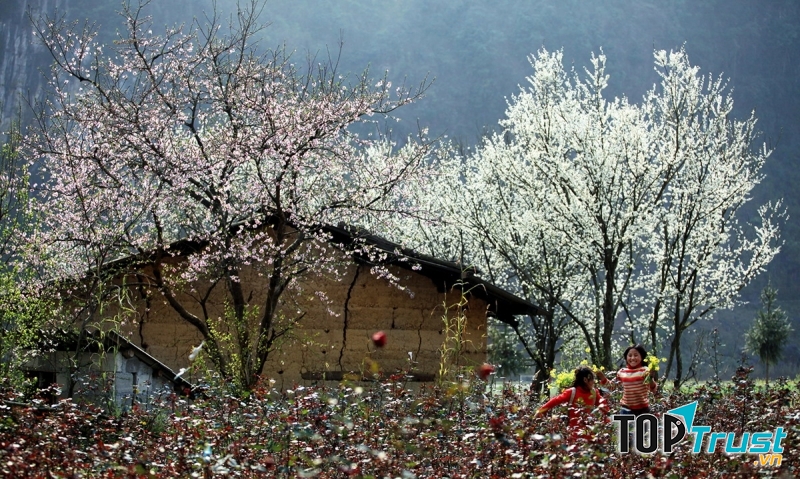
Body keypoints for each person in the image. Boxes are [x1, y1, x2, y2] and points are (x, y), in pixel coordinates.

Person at [533, 366, 609, 442]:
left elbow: (605, 408)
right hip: (574, 435)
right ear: (585, 380)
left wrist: (610, 421)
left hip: (590, 434)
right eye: (592, 379)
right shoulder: (572, 392)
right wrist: (540, 412)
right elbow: (555, 401)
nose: (594, 382)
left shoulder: (594, 393)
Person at [613, 344, 658, 416]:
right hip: (626, 409)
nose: (633, 358)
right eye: (630, 355)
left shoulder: (645, 371)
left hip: (643, 409)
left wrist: (650, 377)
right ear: (626, 357)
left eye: (636, 355)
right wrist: (601, 376)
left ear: (642, 357)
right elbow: (612, 386)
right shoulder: (621, 372)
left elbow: (653, 389)